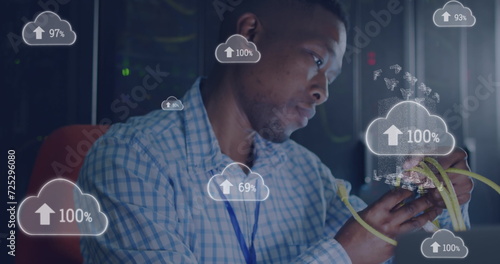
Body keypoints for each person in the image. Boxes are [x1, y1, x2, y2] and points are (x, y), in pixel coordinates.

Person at [78, 0, 473, 263]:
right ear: (248, 34)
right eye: (316, 59)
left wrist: (439, 194)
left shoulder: (307, 174)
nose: (321, 92)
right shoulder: (129, 160)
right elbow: (356, 246)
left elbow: (386, 239)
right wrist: (343, 254)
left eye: (331, 77)